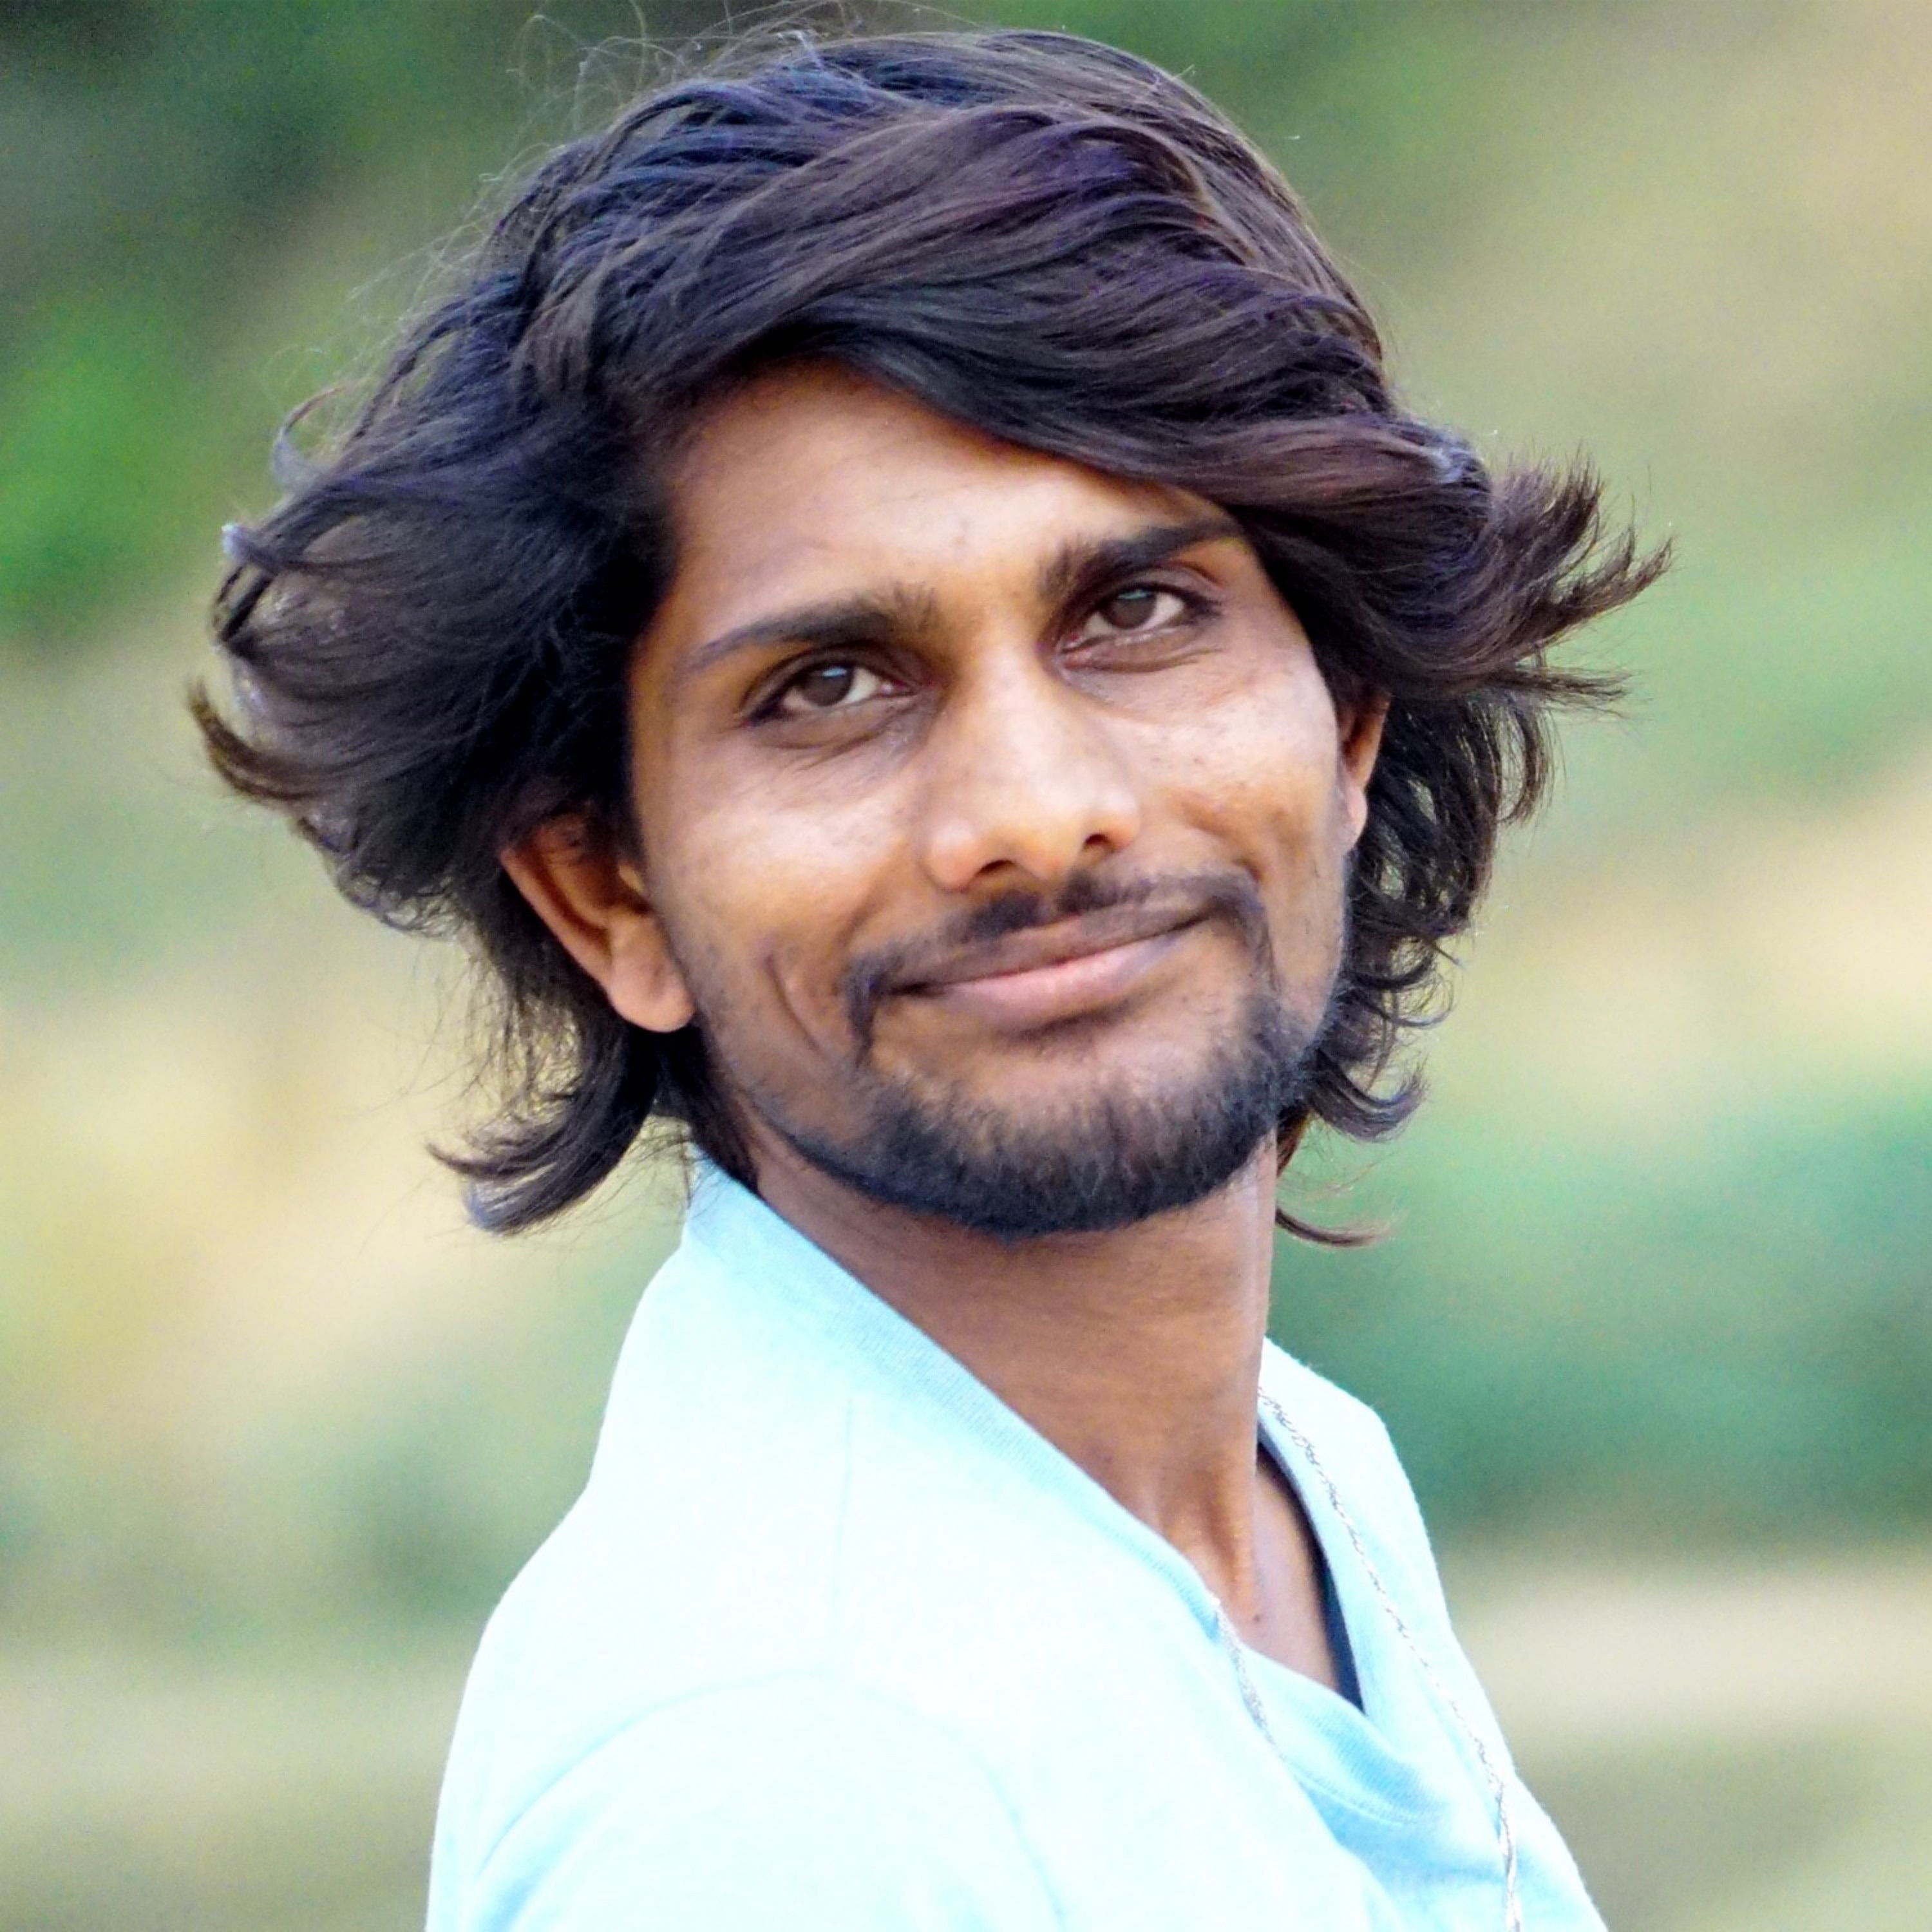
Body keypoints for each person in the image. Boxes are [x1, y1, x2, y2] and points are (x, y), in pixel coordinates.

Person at [195, 26, 1662, 1930]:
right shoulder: (791, 1777)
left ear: (1348, 711)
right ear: (609, 893)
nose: (1035, 817)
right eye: (830, 687)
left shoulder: (1288, 1485)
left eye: (1139, 611)